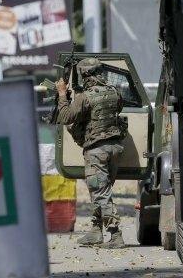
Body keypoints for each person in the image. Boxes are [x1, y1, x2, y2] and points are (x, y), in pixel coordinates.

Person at [54, 57, 127, 249]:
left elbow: (65, 116)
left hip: (96, 151)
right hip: (115, 148)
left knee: (100, 192)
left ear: (85, 75)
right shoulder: (114, 92)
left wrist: (62, 94)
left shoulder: (85, 97)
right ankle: (95, 231)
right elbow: (117, 109)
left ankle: (115, 235)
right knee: (100, 190)